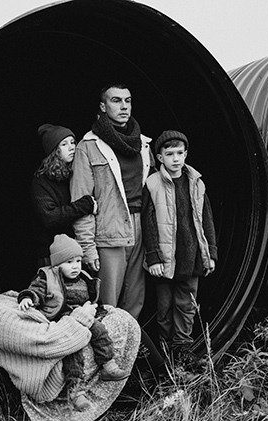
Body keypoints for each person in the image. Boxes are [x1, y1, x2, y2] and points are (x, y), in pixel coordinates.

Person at [0, 245, 139, 420]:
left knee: (111, 314)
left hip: (59, 352)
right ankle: (154, 379)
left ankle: (153, 378)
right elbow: (46, 342)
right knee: (120, 321)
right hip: (54, 375)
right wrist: (80, 317)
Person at [18, 234, 127, 411]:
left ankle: (108, 364)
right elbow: (35, 290)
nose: (75, 266)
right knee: (73, 351)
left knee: (100, 330)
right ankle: (76, 391)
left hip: (83, 314)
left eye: (78, 261)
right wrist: (27, 298)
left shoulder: (83, 277)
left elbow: (92, 298)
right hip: (63, 320)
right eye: (69, 262)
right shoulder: (47, 277)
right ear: (57, 264)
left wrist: (98, 310)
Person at [71, 83, 152, 318]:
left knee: (135, 301)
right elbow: (81, 201)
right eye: (116, 100)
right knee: (108, 305)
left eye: (127, 100)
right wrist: (87, 247)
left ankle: (127, 352)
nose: (123, 106)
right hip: (109, 231)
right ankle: (107, 354)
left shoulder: (143, 144)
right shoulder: (88, 146)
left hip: (141, 229)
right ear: (102, 106)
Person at [141, 130, 217, 367]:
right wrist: (153, 257)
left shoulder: (197, 182)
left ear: (186, 154)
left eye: (180, 153)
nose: (176, 159)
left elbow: (207, 220)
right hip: (165, 257)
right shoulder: (152, 184)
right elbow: (148, 222)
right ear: (160, 157)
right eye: (170, 154)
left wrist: (211, 253)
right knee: (164, 305)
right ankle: (164, 347)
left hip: (191, 255)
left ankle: (182, 348)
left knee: (187, 304)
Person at [31, 124, 94, 266]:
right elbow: (50, 217)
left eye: (73, 142)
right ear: (54, 150)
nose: (72, 147)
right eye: (64, 144)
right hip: (53, 255)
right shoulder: (41, 181)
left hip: (76, 251)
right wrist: (85, 205)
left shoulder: (75, 174)